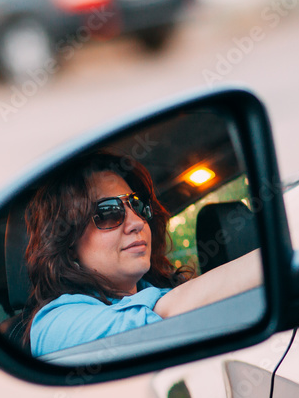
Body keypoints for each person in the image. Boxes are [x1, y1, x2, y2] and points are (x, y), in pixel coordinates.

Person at [21, 151, 261, 357]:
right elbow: (150, 323)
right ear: (68, 242)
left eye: (136, 205)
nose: (136, 221)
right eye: (108, 212)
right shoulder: (52, 326)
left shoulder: (167, 290)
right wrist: (267, 265)